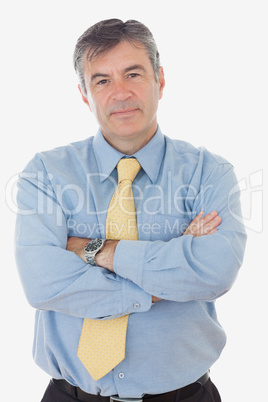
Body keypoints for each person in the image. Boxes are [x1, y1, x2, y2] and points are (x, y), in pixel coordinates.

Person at [15, 19, 247, 402]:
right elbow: (43, 283)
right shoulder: (46, 174)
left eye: (133, 74)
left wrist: (97, 250)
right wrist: (165, 277)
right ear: (85, 94)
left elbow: (214, 271)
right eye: (102, 80)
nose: (120, 93)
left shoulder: (210, 173)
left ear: (160, 80)